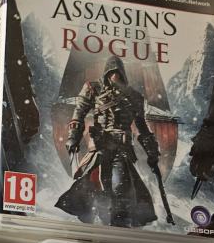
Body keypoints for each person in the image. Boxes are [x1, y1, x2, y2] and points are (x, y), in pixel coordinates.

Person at [57, 54, 159, 227]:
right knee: (94, 186)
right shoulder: (93, 88)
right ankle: (94, 219)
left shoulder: (134, 96)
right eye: (111, 72)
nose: (115, 75)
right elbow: (78, 114)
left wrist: (152, 152)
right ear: (106, 73)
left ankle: (119, 223)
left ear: (123, 74)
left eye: (118, 72)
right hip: (100, 147)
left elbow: (142, 127)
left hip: (122, 149)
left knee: (120, 186)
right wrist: (73, 137)